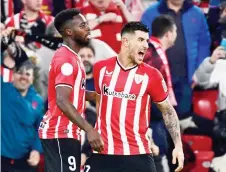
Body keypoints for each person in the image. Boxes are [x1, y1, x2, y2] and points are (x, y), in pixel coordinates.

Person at [84, 21, 184, 172]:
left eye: (146, 40)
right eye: (140, 40)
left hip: (137, 154)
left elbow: (168, 111)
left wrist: (178, 145)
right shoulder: (101, 68)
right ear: (125, 42)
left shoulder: (152, 75)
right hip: (104, 153)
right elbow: (102, 101)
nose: (145, 45)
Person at [38, 9, 103, 172]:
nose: (88, 28)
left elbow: (74, 94)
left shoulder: (73, 56)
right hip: (59, 132)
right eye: (82, 25)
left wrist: (96, 96)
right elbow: (62, 100)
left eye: (87, 24)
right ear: (68, 31)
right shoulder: (66, 59)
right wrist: (89, 129)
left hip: (67, 132)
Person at [144, 15, 177, 172]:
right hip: (152, 117)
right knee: (158, 155)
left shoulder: (154, 50)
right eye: (175, 31)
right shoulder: (153, 55)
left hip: (154, 115)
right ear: (169, 33)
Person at [1, 60, 44, 172]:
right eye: (20, 72)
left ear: (33, 78)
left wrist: (36, 150)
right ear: (13, 75)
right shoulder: (3, 90)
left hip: (25, 162)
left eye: (28, 74)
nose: (23, 77)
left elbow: (40, 129)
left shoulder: (38, 101)